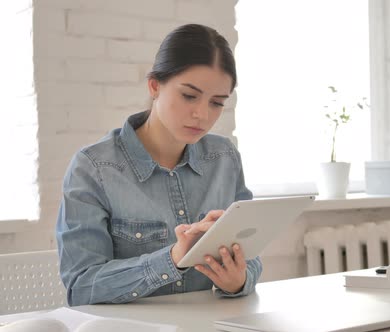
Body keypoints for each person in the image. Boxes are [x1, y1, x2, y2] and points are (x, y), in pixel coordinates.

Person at [56, 23, 262, 306]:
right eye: (189, 95)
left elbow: (250, 255)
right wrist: (174, 259)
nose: (201, 114)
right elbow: (81, 287)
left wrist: (238, 280)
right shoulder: (94, 167)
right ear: (154, 86)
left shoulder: (224, 158)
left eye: (216, 102)